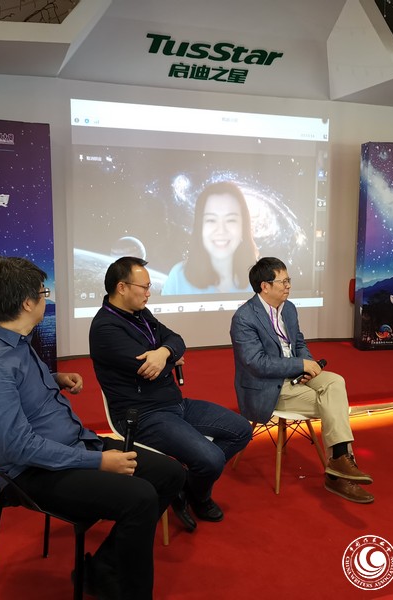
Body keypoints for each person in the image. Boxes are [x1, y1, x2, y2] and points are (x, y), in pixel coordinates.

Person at [0, 256, 185, 599]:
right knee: (140, 498)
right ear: (27, 303)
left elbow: (15, 388)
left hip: (72, 444)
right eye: (42, 293)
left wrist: (53, 378)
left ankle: (103, 567)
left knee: (170, 474)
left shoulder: (14, 339)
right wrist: (98, 462)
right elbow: (20, 447)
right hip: (33, 471)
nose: (45, 299)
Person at [90, 256, 252, 531]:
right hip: (143, 415)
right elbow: (148, 370)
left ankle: (185, 486)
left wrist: (165, 351)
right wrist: (169, 359)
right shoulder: (105, 328)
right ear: (122, 287)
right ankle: (199, 496)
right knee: (211, 459)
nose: (148, 292)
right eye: (144, 287)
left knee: (241, 430)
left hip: (173, 403)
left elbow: (176, 339)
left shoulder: (141, 314)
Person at [230, 256, 374, 504]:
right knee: (334, 404)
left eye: (289, 280)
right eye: (283, 281)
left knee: (335, 382)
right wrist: (300, 365)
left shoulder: (288, 308)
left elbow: (298, 343)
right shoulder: (244, 318)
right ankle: (339, 471)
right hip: (268, 388)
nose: (288, 286)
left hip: (296, 376)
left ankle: (339, 463)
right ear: (265, 286)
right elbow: (257, 363)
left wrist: (309, 366)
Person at [162, 181, 258, 294]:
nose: (221, 230)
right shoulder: (178, 277)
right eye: (211, 220)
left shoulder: (264, 277)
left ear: (243, 227)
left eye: (231, 220)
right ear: (200, 228)